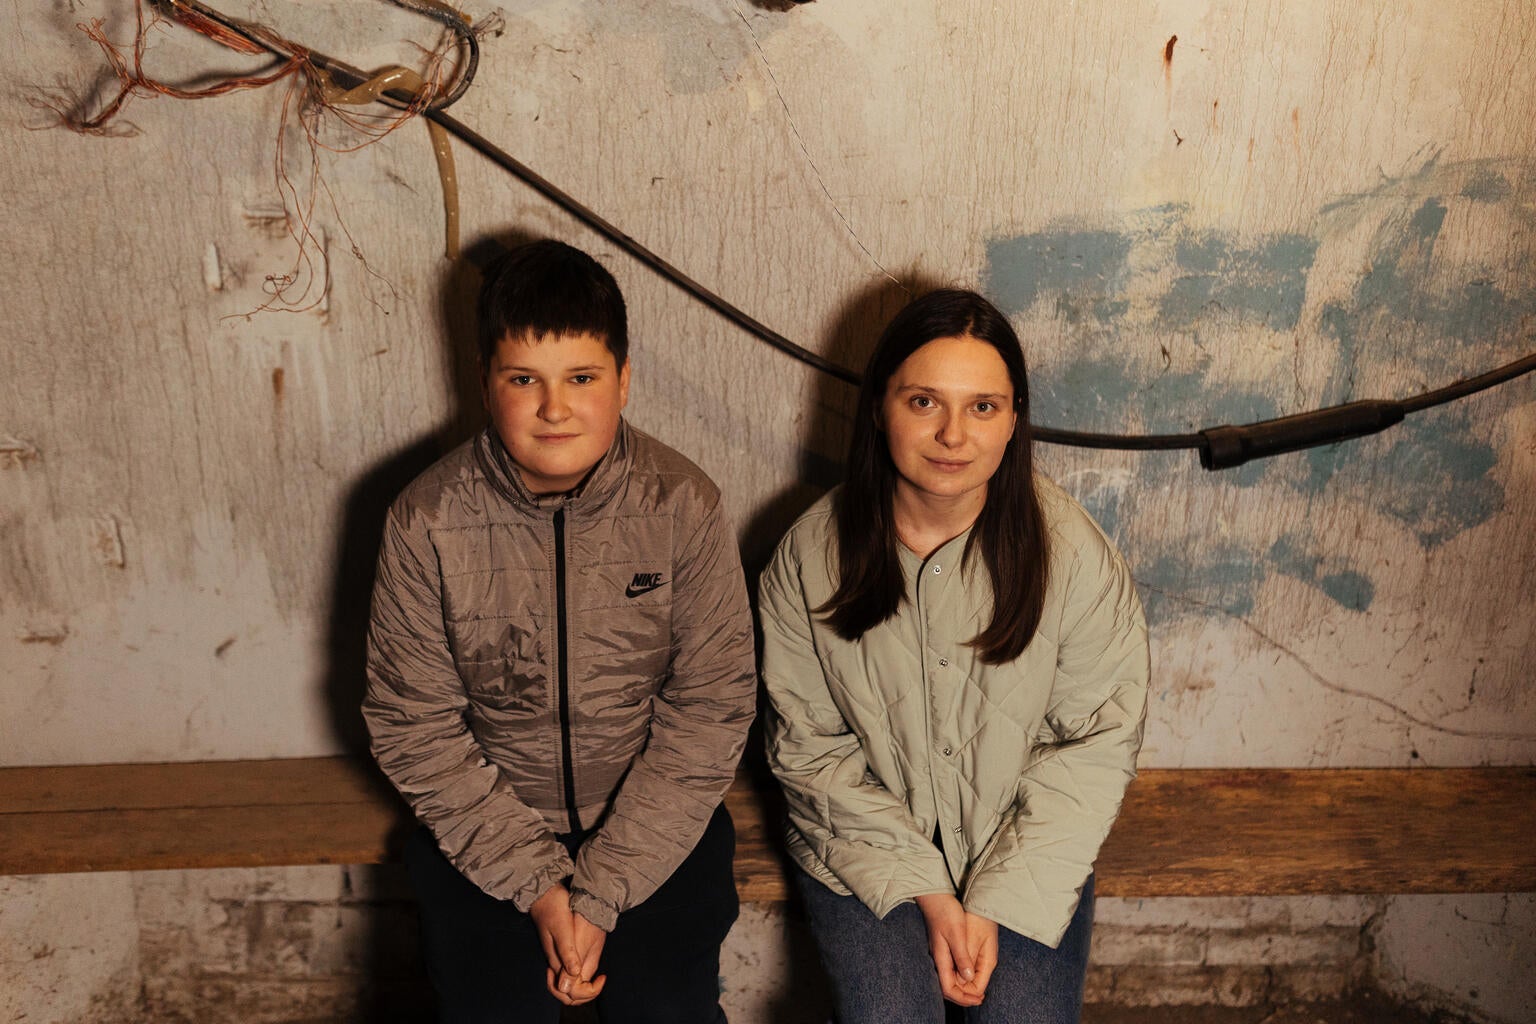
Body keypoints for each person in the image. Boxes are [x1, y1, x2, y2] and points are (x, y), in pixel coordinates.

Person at [363, 239, 756, 1023]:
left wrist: (603, 891)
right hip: (487, 833)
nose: (555, 408)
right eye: (524, 380)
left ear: (624, 380)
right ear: (484, 383)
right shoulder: (426, 520)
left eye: (582, 377)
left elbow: (712, 708)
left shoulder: (683, 505)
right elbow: (415, 726)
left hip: (657, 827)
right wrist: (541, 888)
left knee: (667, 1010)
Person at [758, 288, 1149, 1023]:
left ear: (1014, 421)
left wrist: (996, 897)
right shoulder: (808, 557)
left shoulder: (1073, 556)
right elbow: (808, 751)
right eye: (924, 402)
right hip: (863, 850)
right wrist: (932, 894)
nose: (952, 435)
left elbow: (1094, 743)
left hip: (1024, 842)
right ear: (879, 407)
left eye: (983, 407)